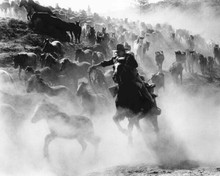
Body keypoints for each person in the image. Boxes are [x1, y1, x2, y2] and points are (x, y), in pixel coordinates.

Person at [89, 43, 159, 112]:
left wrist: (126, 65)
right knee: (111, 91)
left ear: (123, 51)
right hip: (121, 81)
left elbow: (135, 64)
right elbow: (106, 63)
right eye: (118, 52)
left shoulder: (129, 57)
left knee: (143, 87)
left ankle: (152, 104)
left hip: (133, 78)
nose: (119, 53)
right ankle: (112, 108)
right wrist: (95, 66)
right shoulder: (116, 58)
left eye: (120, 51)